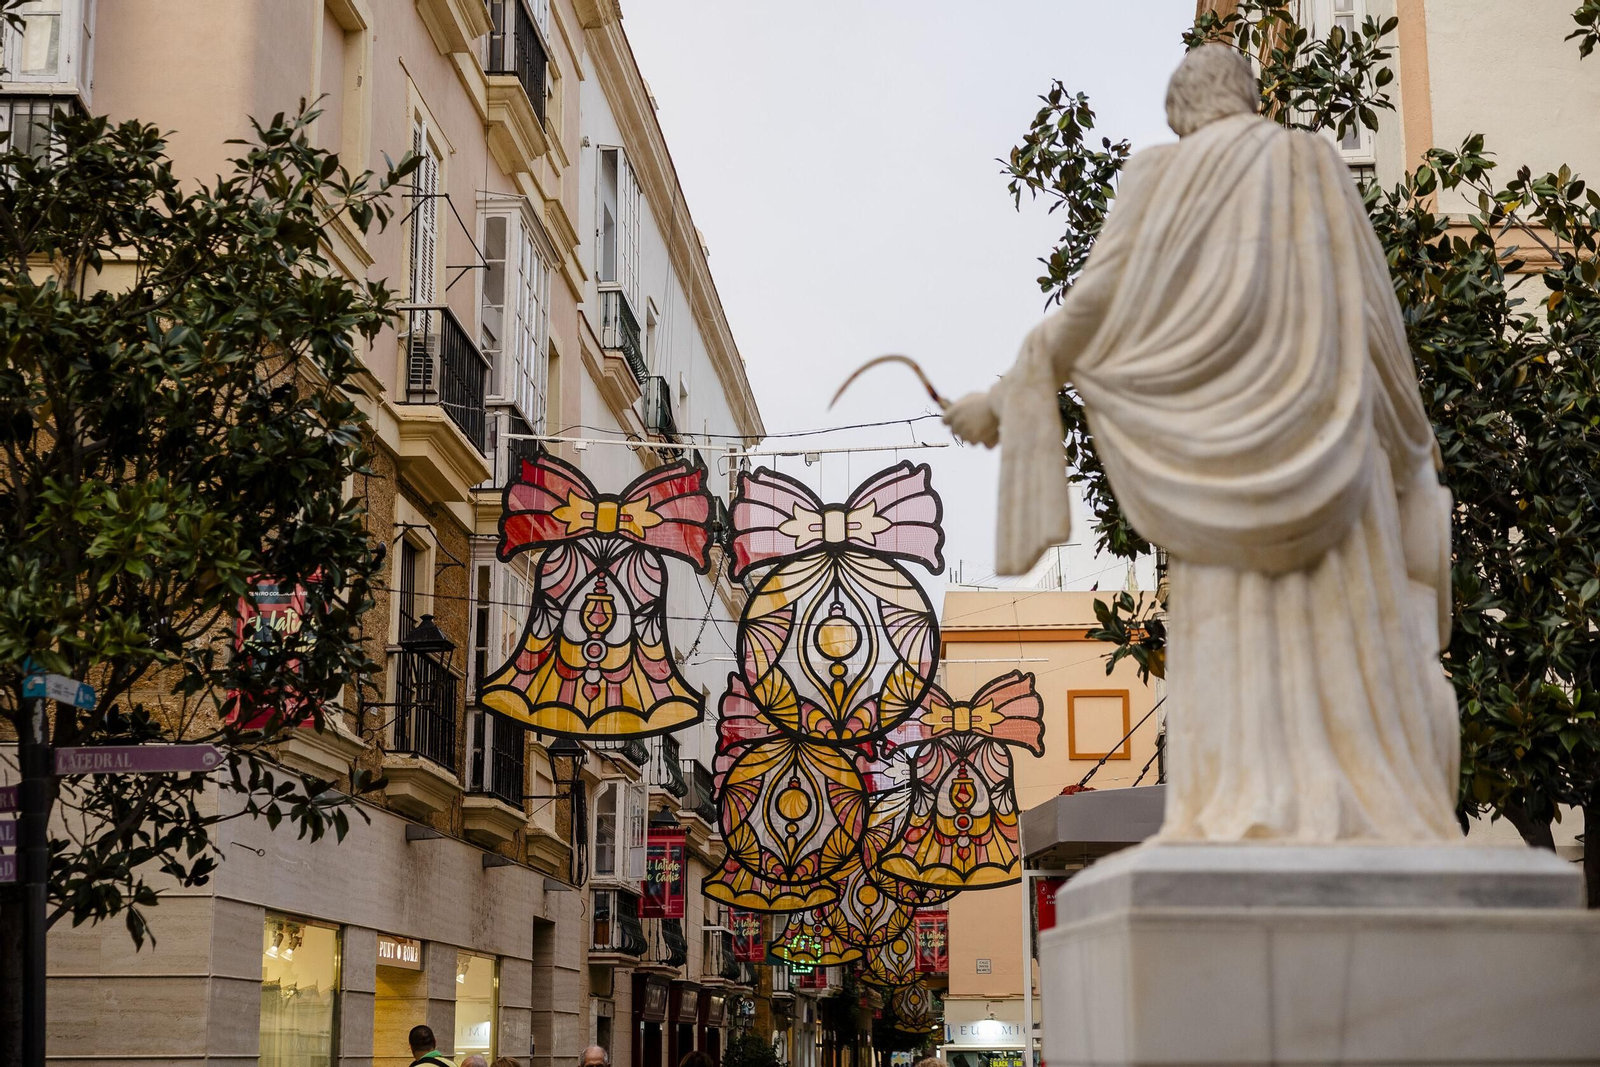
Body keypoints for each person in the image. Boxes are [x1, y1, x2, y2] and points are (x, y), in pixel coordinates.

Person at [945, 43, 1461, 843]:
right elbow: (1378, 327)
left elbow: (1087, 313)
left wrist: (1003, 400)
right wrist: (1411, 452)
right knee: (1342, 641)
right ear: (1250, 98)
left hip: (1212, 480)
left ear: (1181, 113)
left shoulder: (1160, 177)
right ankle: (1358, 803)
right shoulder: (1313, 162)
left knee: (1231, 634)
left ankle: (1239, 807)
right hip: (1334, 461)